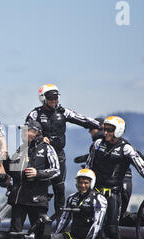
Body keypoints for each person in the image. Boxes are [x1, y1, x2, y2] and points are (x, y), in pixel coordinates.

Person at [85, 116, 144, 239]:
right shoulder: (97, 145)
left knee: (112, 228)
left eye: (109, 130)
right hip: (96, 192)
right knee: (92, 225)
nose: (105, 133)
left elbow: (141, 166)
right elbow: (89, 167)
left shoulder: (126, 148)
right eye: (105, 129)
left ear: (118, 131)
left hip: (114, 193)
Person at [26, 84, 101, 221]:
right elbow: (27, 132)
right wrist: (40, 138)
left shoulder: (64, 112)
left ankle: (60, 220)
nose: (54, 101)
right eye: (51, 99)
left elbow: (83, 120)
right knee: (39, 187)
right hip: (41, 157)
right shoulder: (35, 114)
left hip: (59, 154)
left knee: (59, 188)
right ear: (43, 99)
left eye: (56, 98)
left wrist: (102, 126)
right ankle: (39, 219)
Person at [3, 120, 60, 239]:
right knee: (14, 235)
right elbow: (13, 171)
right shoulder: (21, 149)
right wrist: (5, 159)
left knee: (41, 234)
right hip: (19, 199)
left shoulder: (47, 148)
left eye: (26, 130)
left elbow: (56, 171)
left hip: (37, 200)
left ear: (36, 132)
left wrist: (37, 173)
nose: (23, 133)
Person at [51, 169, 107, 239]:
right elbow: (64, 219)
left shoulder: (99, 200)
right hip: (73, 238)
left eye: (86, 183)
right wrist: (54, 235)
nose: (82, 185)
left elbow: (97, 224)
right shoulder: (72, 198)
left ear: (91, 183)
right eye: (80, 182)